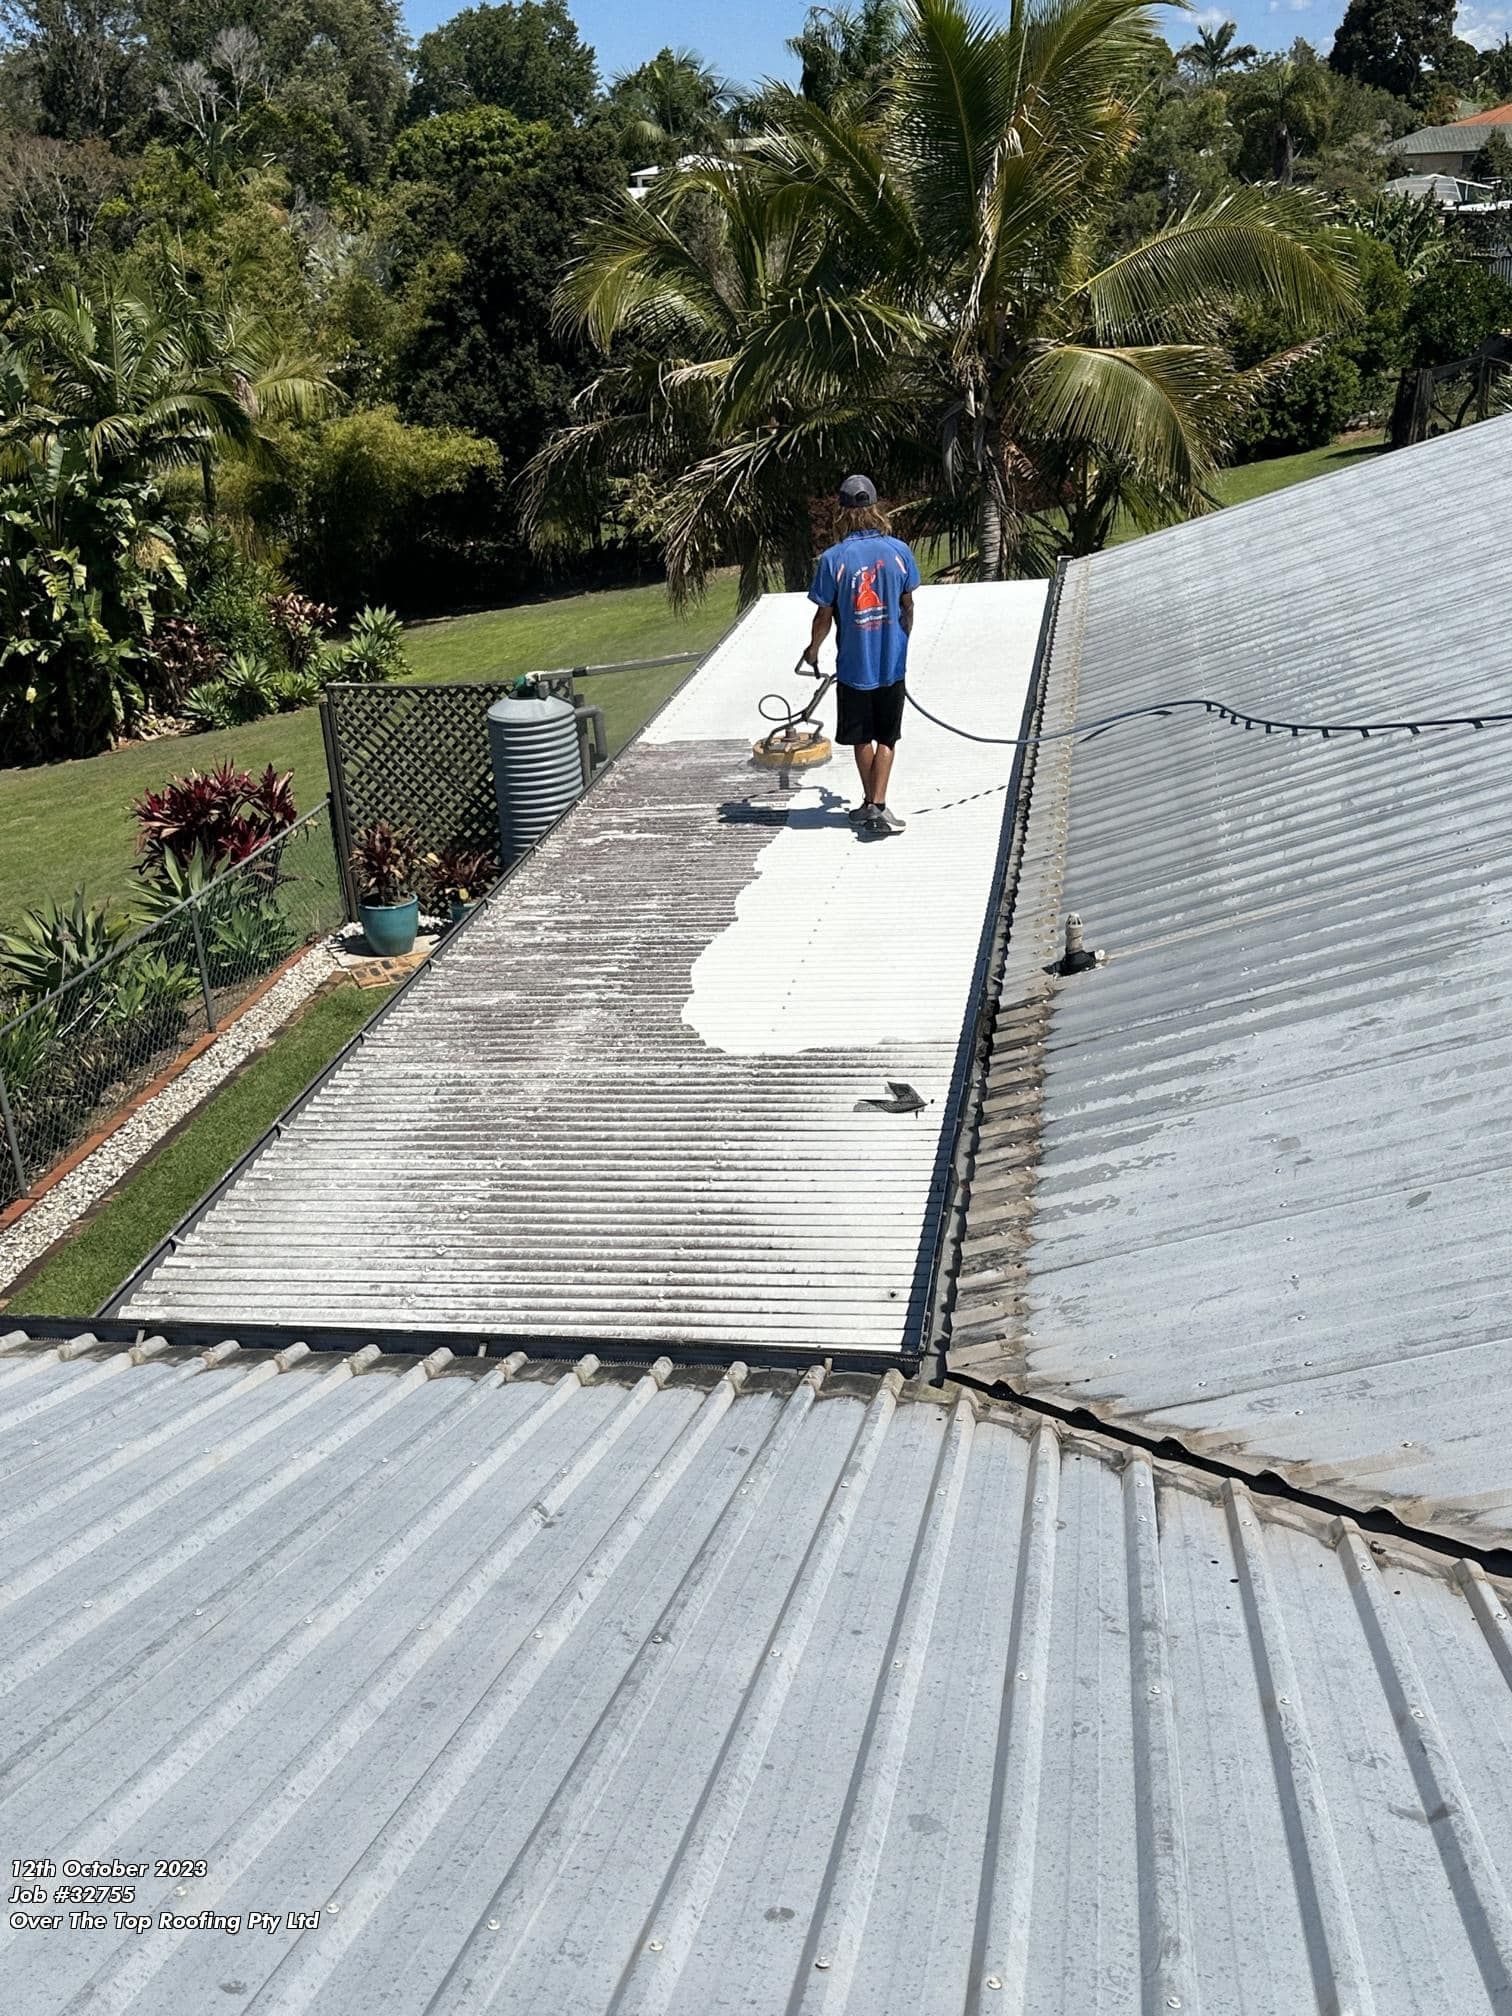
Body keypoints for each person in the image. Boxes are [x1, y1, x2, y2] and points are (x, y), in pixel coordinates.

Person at [801, 474, 921, 838]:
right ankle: (876, 807)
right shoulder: (899, 551)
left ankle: (874, 806)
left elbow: (823, 615)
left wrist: (813, 649)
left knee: (861, 737)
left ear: (843, 510)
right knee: (887, 736)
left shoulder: (833, 559)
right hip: (891, 663)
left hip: (854, 666)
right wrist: (901, 642)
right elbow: (908, 604)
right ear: (875, 507)